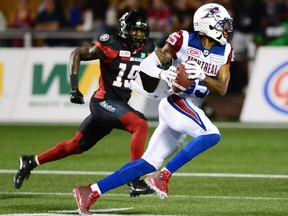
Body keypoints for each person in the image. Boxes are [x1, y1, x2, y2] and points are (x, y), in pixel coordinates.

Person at [72, 3, 234, 215]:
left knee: (148, 162)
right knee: (212, 134)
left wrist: (202, 76)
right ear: (208, 25)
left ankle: (90, 191)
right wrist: (162, 74)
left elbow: (221, 89)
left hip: (190, 108)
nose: (226, 29)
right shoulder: (183, 39)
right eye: (222, 25)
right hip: (176, 102)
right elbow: (148, 64)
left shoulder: (226, 51)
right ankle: (164, 175)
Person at [14, 10, 159, 197]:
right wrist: (74, 88)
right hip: (103, 102)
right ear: (124, 29)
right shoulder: (111, 43)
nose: (139, 35)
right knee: (140, 124)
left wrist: (158, 70)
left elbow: (149, 86)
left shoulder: (147, 48)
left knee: (76, 145)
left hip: (116, 106)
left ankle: (30, 161)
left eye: (142, 31)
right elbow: (77, 54)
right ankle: (133, 180)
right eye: (135, 31)